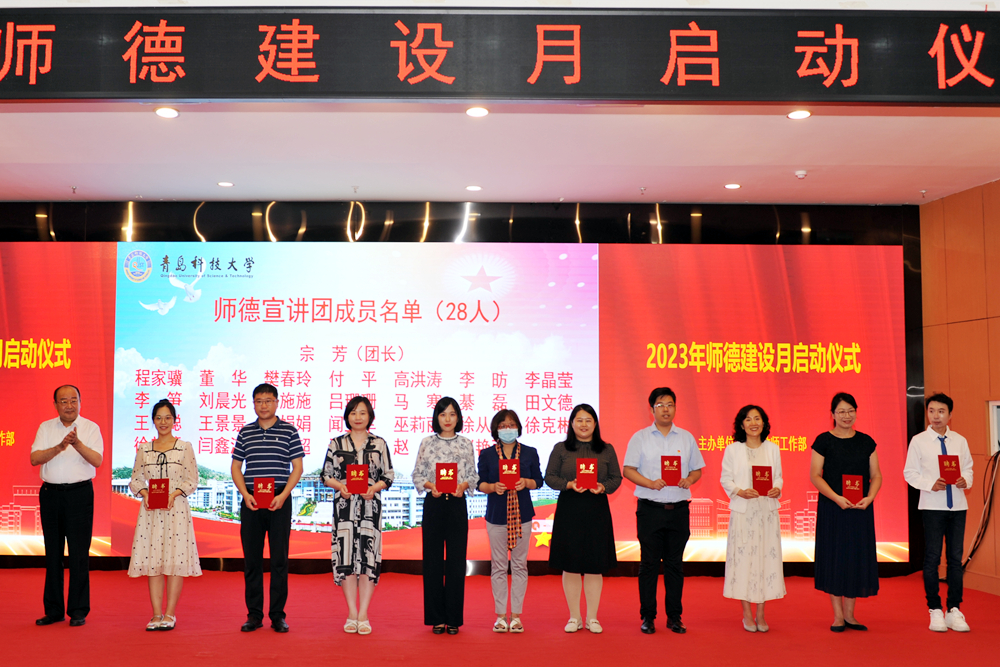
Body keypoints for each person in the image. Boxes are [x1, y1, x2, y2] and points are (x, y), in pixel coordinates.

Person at [622, 387, 705, 635]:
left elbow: (697, 470)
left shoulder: (686, 438)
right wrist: (649, 483)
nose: (665, 409)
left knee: (674, 565)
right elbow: (628, 470)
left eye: (670, 404)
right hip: (650, 509)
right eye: (660, 405)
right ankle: (648, 617)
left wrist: (689, 480)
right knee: (648, 564)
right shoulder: (640, 438)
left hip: (678, 509)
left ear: (675, 408)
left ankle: (674, 617)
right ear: (652, 409)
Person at [231, 382, 304, 633]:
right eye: (259, 401)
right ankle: (254, 615)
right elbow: (236, 467)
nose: (264, 405)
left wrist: (283, 495)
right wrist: (245, 494)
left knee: (279, 560)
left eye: (268, 400)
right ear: (253, 404)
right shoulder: (245, 432)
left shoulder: (289, 431)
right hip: (251, 500)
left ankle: (277, 616)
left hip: (279, 500)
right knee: (252, 560)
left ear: (277, 402)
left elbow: (297, 468)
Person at [30, 385, 104, 627]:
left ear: (80, 402)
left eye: (74, 400)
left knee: (79, 554)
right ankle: (54, 610)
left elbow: (97, 460)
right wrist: (60, 447)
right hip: (50, 495)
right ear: (55, 405)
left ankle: (78, 610)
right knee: (52, 553)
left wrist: (76, 443)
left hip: (79, 495)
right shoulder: (45, 428)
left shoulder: (91, 428)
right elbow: (34, 458)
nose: (69, 405)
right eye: (64, 401)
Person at [321, 396, 395, 636]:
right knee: (346, 561)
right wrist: (339, 486)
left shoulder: (379, 444)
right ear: (347, 416)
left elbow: (388, 475)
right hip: (344, 510)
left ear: (370, 416)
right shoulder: (336, 443)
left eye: (362, 412)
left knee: (367, 560)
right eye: (353, 412)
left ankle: (363, 614)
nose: (358, 417)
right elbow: (325, 475)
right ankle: (351, 613)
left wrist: (375, 488)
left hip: (370, 510)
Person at [545, 403, 622, 634]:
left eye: (588, 420)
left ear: (595, 424)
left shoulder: (606, 449)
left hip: (597, 509)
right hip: (569, 509)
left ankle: (592, 618)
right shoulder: (561, 448)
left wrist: (602, 487)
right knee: (570, 565)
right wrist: (568, 484)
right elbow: (549, 477)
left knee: (594, 565)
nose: (584, 424)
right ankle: (574, 617)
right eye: (579, 420)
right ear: (571, 423)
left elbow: (616, 478)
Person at [810, 392, 882, 632]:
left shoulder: (866, 441)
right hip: (833, 508)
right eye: (841, 411)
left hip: (860, 509)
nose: (846, 416)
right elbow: (815, 476)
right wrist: (837, 498)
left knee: (855, 558)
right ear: (832, 414)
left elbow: (876, 475)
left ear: (856, 413)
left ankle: (851, 615)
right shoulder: (823, 441)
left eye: (851, 411)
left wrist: (870, 497)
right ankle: (838, 616)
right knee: (835, 558)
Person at [127, 398, 202, 631]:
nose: (163, 422)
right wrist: (145, 493)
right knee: (154, 561)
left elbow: (192, 480)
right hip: (151, 511)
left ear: (175, 420)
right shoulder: (144, 449)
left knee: (174, 561)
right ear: (153, 420)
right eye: (158, 417)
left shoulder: (184, 447)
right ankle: (156, 614)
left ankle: (170, 614)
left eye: (167, 417)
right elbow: (135, 479)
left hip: (175, 509)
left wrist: (174, 493)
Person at [903, 393, 974, 632]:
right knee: (932, 558)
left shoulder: (960, 441)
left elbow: (968, 468)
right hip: (932, 507)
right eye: (931, 411)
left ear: (950, 414)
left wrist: (966, 480)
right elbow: (909, 472)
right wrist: (929, 484)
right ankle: (934, 608)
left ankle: (953, 609)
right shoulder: (919, 441)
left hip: (958, 507)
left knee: (955, 559)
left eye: (941, 411)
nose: (936, 416)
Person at [412, 396, 478, 635]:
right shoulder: (427, 442)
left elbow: (473, 475)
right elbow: (417, 474)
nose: (447, 419)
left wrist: (463, 486)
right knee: (432, 562)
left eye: (452, 414)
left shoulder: (466, 443)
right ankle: (436, 618)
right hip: (434, 504)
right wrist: (431, 485)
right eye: (442, 414)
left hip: (457, 504)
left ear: (458, 417)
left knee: (456, 563)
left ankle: (453, 618)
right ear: (436, 417)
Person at [719, 405, 785, 633]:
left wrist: (777, 488)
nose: (753, 423)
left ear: (764, 423)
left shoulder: (773, 448)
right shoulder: (732, 450)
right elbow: (725, 479)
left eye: (757, 419)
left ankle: (761, 614)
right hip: (743, 512)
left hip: (766, 512)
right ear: (741, 424)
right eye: (748, 419)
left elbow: (778, 477)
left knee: (765, 561)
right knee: (744, 562)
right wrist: (740, 491)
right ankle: (747, 614)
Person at [477, 409, 543, 633]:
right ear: (495, 429)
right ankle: (500, 617)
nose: (507, 429)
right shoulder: (487, 454)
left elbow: (539, 481)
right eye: (502, 425)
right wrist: (492, 487)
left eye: (511, 424)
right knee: (498, 566)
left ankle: (516, 616)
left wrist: (526, 482)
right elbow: (479, 483)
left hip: (522, 515)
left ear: (518, 427)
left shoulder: (529, 452)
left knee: (519, 565)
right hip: (496, 516)